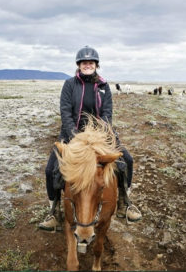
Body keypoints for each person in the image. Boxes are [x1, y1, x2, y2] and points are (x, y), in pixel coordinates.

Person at [39, 46, 142, 231]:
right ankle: (54, 211)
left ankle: (124, 202)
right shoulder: (69, 85)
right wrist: (74, 135)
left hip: (100, 135)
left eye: (91, 62)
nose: (88, 65)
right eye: (84, 62)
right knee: (51, 170)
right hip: (73, 135)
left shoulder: (104, 86)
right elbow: (65, 112)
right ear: (79, 65)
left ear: (96, 65)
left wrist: (101, 134)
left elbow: (107, 113)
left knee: (127, 160)